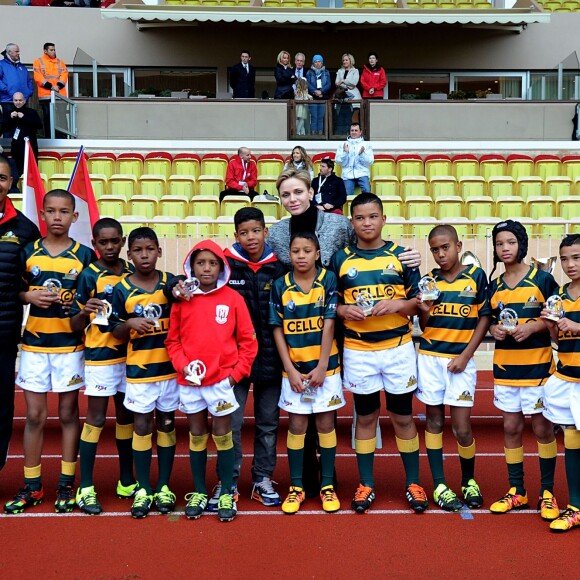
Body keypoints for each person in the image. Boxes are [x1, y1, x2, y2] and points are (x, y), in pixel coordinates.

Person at [169, 207, 287, 511]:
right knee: (231, 426)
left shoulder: (279, 267)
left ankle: (262, 478)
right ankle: (228, 480)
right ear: (236, 236)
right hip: (231, 367)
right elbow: (176, 284)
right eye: (244, 232)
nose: (251, 237)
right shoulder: (226, 264)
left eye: (256, 231)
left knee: (267, 424)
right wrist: (174, 288)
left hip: (270, 359)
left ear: (265, 232)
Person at [329, 192, 427, 515]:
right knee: (366, 417)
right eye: (359, 218)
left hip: (398, 349)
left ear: (384, 219)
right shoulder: (340, 258)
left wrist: (399, 305)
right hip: (359, 351)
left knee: (402, 417)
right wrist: (344, 309)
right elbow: (329, 303)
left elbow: (422, 300)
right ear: (352, 222)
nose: (366, 223)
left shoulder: (402, 257)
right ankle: (366, 483)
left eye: (373, 217)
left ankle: (413, 482)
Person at [4, 190, 95, 515]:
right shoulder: (28, 252)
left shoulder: (84, 256)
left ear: (74, 216)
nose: (57, 217)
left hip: (69, 348)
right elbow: (12, 288)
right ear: (42, 215)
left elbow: (92, 298)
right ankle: (32, 485)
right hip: (34, 346)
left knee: (69, 415)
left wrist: (79, 308)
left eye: (64, 211)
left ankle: (66, 483)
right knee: (34, 417)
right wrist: (29, 298)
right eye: (51, 211)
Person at [166, 239, 257, 522]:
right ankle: (199, 491)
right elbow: (173, 341)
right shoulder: (182, 300)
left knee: (223, 434)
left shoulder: (233, 299)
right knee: (196, 436)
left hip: (221, 382)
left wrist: (234, 377)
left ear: (222, 267)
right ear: (191, 267)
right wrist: (184, 368)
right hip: (190, 382)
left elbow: (248, 342)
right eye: (200, 263)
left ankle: (228, 491)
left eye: (213, 263)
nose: (206, 268)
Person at [487, 220, 560, 521]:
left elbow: (555, 316)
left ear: (522, 245)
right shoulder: (494, 286)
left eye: (511, 242)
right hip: (506, 370)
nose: (505, 248)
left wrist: (532, 327)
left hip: (538, 369)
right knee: (511, 429)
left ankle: (547, 492)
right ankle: (517, 490)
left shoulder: (542, 280)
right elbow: (490, 321)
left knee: (542, 429)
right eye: (500, 243)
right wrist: (496, 329)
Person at [415, 225, 490, 512]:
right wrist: (424, 309)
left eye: (445, 247)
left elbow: (484, 318)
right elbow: (425, 326)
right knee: (434, 421)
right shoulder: (428, 281)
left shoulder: (475, 277)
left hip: (461, 360)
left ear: (458, 246)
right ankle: (440, 484)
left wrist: (465, 356)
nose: (440, 254)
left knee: (461, 428)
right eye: (434, 249)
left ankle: (469, 480)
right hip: (431, 358)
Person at [270, 231, 345, 514]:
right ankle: (297, 487)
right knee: (297, 427)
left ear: (317, 253)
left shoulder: (327, 279)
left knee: (325, 426)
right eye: (295, 251)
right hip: (295, 371)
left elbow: (329, 323)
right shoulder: (281, 285)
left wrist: (323, 365)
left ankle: (327, 486)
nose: (301, 256)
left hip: (325, 368)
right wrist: (289, 368)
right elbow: (277, 328)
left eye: (306, 250)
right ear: (289, 254)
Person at [69, 218, 137, 515]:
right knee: (96, 418)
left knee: (126, 418)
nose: (109, 247)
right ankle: (85, 487)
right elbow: (73, 323)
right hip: (100, 356)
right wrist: (85, 311)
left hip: (130, 356)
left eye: (114, 241)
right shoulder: (89, 275)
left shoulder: (133, 272)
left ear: (122, 242)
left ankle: (125, 479)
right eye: (103, 242)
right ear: (94, 244)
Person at [109, 227, 178, 519]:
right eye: (138, 250)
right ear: (130, 254)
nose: (145, 255)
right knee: (141, 427)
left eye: (150, 249)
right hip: (138, 373)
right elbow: (112, 331)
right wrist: (129, 324)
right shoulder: (121, 289)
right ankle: (143, 488)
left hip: (170, 371)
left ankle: (163, 486)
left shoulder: (170, 283)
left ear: (159, 251)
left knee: (166, 424)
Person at [0, 155, 40, 479]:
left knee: (1, 409)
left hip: (4, 332)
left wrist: (25, 294)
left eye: (1, 177)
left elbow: (32, 280)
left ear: (11, 182)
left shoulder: (25, 229)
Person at [541, 233, 580, 532]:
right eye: (565, 258)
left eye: (576, 258)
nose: (569, 264)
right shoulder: (561, 295)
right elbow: (558, 340)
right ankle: (575, 506)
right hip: (567, 377)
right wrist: (554, 328)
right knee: (571, 441)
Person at [2, 92, 42, 179]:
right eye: (16, 100)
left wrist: (24, 117)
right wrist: (9, 118)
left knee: (30, 171)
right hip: (16, 146)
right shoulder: (9, 113)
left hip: (30, 146)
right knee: (17, 170)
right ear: (13, 101)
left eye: (20, 100)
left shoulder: (31, 112)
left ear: (24, 101)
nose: (18, 102)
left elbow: (39, 125)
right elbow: (2, 129)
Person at [33, 43, 68, 138]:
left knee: (62, 118)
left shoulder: (60, 62)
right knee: (48, 118)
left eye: (54, 50)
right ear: (45, 51)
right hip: (46, 96)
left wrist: (58, 85)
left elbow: (64, 75)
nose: (54, 52)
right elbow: (38, 76)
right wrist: (51, 86)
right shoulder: (38, 61)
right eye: (51, 50)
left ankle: (63, 137)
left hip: (60, 96)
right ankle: (49, 137)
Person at [335, 123, 374, 197]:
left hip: (362, 173)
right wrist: (345, 153)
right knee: (347, 196)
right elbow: (339, 162)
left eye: (356, 130)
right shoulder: (343, 144)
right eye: (352, 130)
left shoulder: (366, 145)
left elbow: (369, 162)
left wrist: (362, 154)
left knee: (367, 192)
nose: (354, 132)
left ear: (360, 132)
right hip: (347, 175)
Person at [0, 44, 34, 124]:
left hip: (22, 101)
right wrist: (7, 90)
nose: (18, 53)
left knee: (22, 125)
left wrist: (29, 92)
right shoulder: (1, 65)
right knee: (8, 126)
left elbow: (29, 81)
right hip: (8, 100)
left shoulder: (22, 66)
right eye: (16, 51)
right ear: (9, 52)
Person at [334, 53, 361, 135]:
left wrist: (343, 81)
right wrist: (347, 84)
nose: (344, 61)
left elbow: (354, 82)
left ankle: (349, 133)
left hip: (352, 98)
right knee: (341, 116)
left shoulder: (355, 71)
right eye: (343, 60)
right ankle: (340, 133)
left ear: (350, 61)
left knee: (350, 117)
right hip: (341, 96)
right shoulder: (340, 71)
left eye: (346, 60)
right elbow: (336, 83)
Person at [306, 55, 331, 135]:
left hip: (323, 98)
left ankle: (320, 134)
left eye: (319, 61)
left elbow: (329, 84)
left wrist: (321, 91)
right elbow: (308, 84)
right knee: (314, 116)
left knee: (320, 117)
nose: (317, 63)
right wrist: (314, 91)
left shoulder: (326, 72)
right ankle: (313, 134)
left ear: (322, 63)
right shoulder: (309, 72)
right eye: (315, 62)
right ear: (313, 63)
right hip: (313, 98)